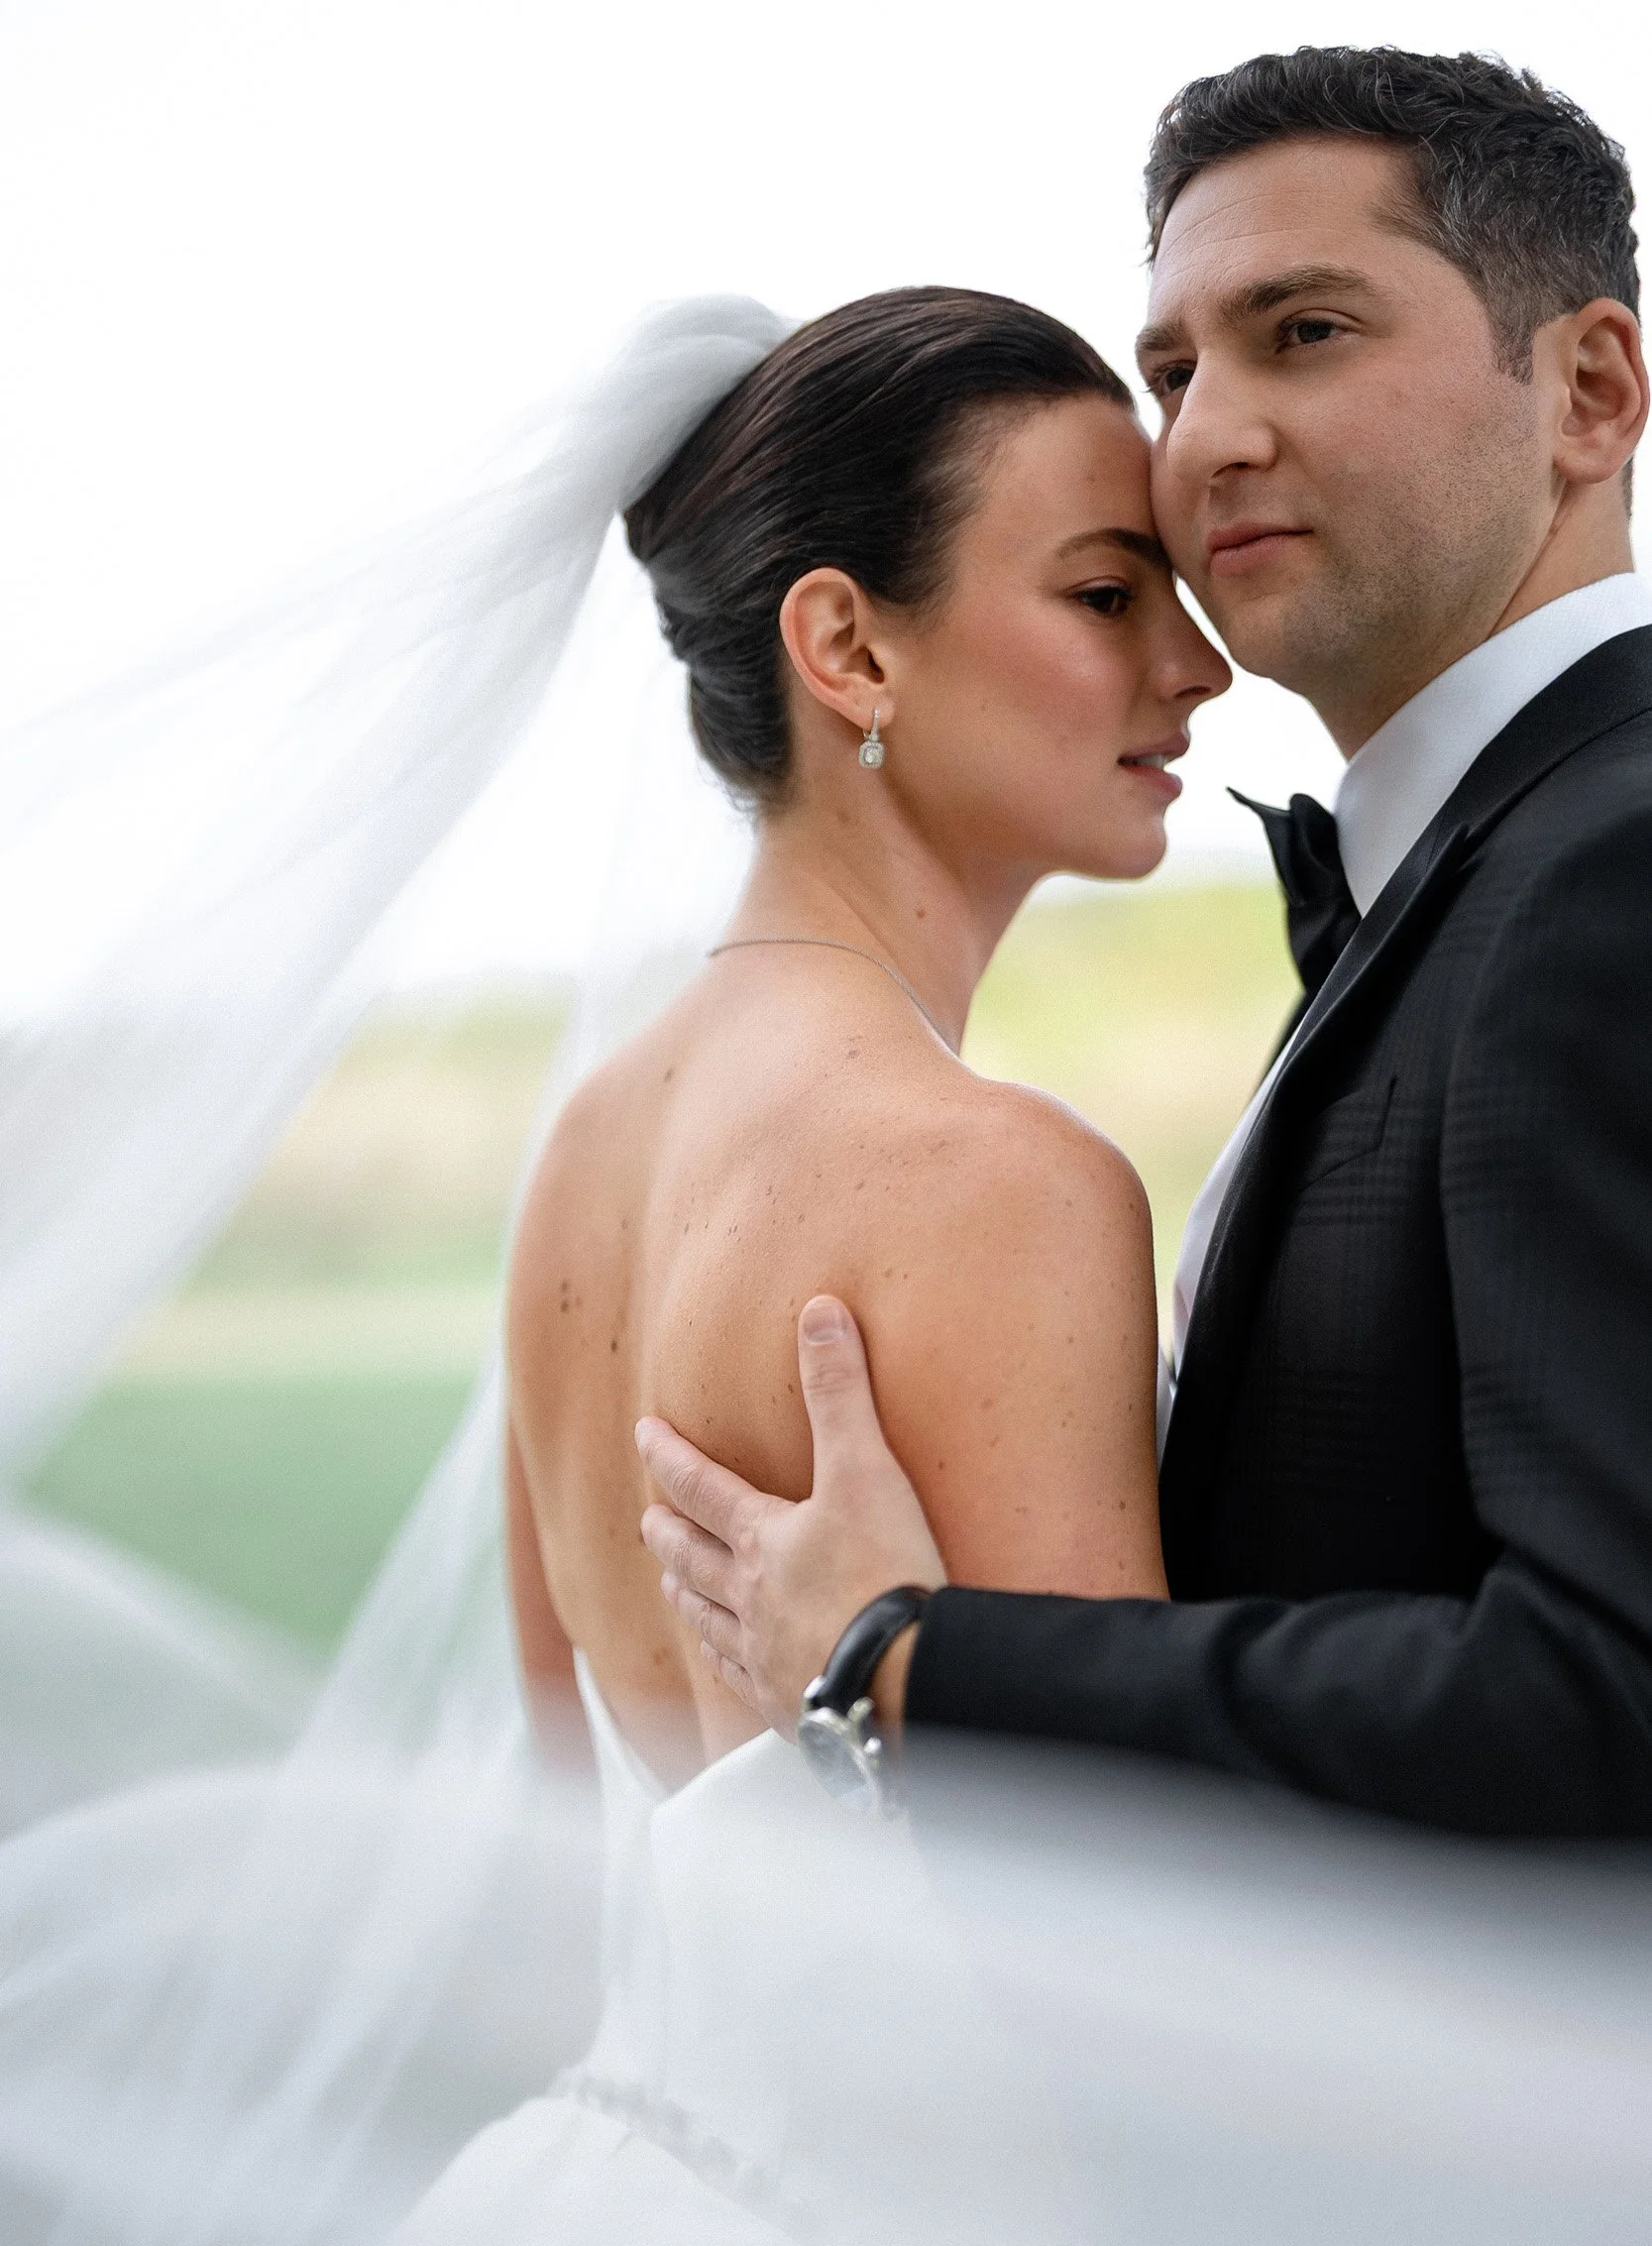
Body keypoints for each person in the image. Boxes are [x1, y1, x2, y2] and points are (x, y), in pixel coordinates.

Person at [163, 286, 1226, 2246]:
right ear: (845, 646)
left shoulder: (583, 1160)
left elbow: (597, 1820)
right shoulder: (998, 1184)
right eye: (1107, 593)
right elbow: (1133, 1953)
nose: (1192, 667)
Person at [637, 45, 1652, 1838]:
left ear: (1588, 389)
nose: (1205, 436)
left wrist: (904, 1661)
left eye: (1304, 332)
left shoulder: (1615, 862)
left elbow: (1610, 1693)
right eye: (1173, 368)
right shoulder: (1478, 872)